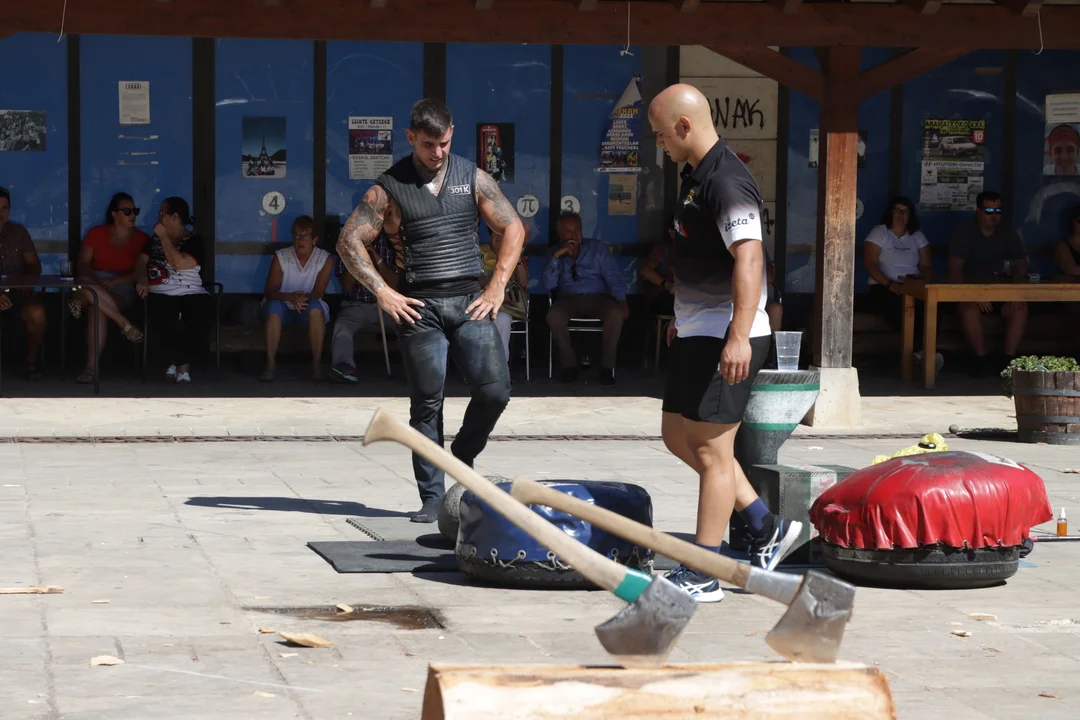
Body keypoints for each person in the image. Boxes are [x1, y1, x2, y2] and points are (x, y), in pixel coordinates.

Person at [336, 98, 525, 523]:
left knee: (495, 392)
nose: (436, 152)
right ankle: (433, 498)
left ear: (452, 134)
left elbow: (512, 226)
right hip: (418, 306)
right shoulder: (389, 186)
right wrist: (383, 292)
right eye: (427, 145)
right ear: (410, 137)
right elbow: (349, 241)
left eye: (443, 144)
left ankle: (462, 453)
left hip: (470, 299)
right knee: (427, 402)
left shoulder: (473, 177)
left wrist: (497, 285)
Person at [648, 83, 802, 603]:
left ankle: (704, 571)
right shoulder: (697, 176)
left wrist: (738, 335)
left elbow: (750, 257)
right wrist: (683, 316)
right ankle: (763, 525)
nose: (659, 144)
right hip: (698, 330)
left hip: (728, 336)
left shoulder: (728, 179)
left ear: (684, 126)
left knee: (713, 452)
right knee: (677, 435)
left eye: (661, 134)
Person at [70, 192, 149, 383]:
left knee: (96, 310)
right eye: (127, 211)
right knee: (85, 284)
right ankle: (124, 324)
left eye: (135, 211)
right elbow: (82, 264)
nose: (133, 215)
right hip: (91, 284)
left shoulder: (142, 239)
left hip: (121, 286)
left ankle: (91, 369)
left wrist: (116, 281)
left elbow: (141, 271)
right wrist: (97, 280)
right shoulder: (97, 233)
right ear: (114, 214)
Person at [948, 191, 1029, 375]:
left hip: (1002, 292)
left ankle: (1007, 361)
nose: (994, 215)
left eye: (998, 210)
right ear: (978, 211)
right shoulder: (964, 233)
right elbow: (954, 271)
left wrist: (1016, 292)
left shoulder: (1008, 233)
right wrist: (974, 295)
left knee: (1020, 308)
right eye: (989, 210)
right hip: (971, 293)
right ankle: (981, 359)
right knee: (968, 310)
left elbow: (1021, 267)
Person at [543, 212, 628, 385]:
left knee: (615, 314)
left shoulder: (597, 248)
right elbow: (548, 285)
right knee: (553, 315)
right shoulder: (554, 252)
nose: (575, 235)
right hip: (569, 299)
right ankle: (569, 365)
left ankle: (607, 368)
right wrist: (556, 257)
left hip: (598, 298)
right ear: (560, 234)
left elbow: (613, 277)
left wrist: (622, 301)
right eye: (569, 231)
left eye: (578, 230)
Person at [135, 197, 212, 385]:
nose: (158, 216)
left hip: (190, 292)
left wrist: (164, 237)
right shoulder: (153, 240)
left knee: (192, 318)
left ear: (174, 217)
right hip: (160, 292)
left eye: (162, 212)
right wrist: (143, 278)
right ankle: (181, 367)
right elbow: (141, 261)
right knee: (165, 317)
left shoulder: (194, 240)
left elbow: (180, 263)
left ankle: (176, 364)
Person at [861, 196, 941, 371]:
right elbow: (870, 264)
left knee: (931, 308)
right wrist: (890, 284)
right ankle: (921, 354)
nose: (900, 215)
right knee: (900, 309)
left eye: (905, 212)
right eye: (897, 211)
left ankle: (924, 353)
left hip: (912, 287)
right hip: (883, 287)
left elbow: (926, 266)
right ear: (890, 213)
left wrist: (922, 283)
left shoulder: (917, 235)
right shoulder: (880, 232)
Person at [260, 215, 334, 382]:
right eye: (296, 235)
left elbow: (318, 292)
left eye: (305, 236)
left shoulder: (325, 258)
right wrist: (290, 297)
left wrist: (300, 298)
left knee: (315, 308)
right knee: (274, 307)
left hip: (307, 305)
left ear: (314, 240)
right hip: (283, 305)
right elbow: (269, 292)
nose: (299, 240)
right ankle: (270, 365)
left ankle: (317, 366)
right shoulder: (281, 256)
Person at [329, 232, 398, 384]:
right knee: (343, 325)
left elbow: (395, 284)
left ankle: (418, 367)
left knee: (409, 323)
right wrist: (359, 258)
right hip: (358, 306)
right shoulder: (347, 245)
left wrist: (377, 259)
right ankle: (343, 367)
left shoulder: (392, 243)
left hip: (389, 305)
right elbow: (346, 287)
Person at [0, 186, 46, 380]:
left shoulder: (18, 232)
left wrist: (27, 282)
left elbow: (34, 265)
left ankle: (30, 362)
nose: (0, 213)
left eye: (4, 208)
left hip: (17, 292)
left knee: (37, 312)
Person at [479, 226, 529, 370]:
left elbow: (523, 283)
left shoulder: (514, 253)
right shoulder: (480, 252)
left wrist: (517, 258)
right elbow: (477, 279)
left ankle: (501, 369)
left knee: (502, 319)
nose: (500, 238)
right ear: (490, 236)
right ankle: (478, 370)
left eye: (503, 235)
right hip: (480, 301)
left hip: (505, 306)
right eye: (496, 235)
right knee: (473, 320)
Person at [1053, 205, 1080, 281]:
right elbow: (1072, 270)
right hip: (1070, 286)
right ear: (1072, 222)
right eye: (1079, 220)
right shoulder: (1062, 246)